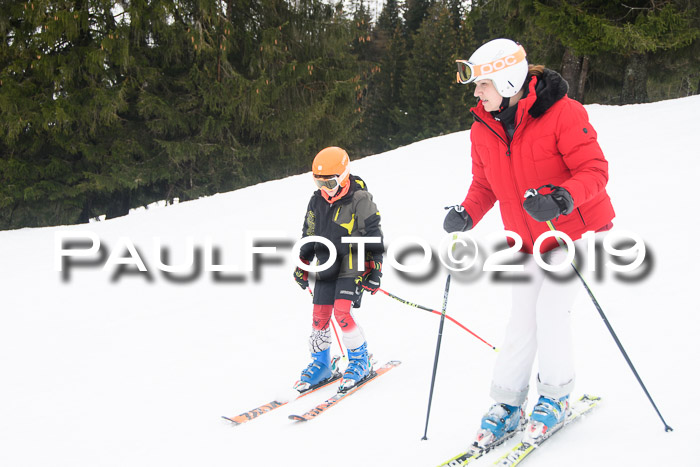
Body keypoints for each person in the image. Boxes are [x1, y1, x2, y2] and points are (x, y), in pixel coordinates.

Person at [445, 39, 615, 446]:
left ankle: (555, 397)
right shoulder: (482, 128)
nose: (476, 93)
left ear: (507, 80)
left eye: (482, 84)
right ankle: (508, 404)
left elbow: (594, 169)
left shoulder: (562, 114)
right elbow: (485, 183)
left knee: (551, 312)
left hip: (574, 231)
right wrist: (467, 211)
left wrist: (560, 197)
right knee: (521, 317)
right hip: (527, 241)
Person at [293, 147, 384, 392]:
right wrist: (303, 263)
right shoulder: (316, 200)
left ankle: (359, 360)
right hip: (326, 263)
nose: (325, 188)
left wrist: (375, 269)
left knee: (341, 313)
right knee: (319, 317)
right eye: (318, 182)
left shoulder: (360, 199)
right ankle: (321, 364)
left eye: (330, 182)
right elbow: (309, 234)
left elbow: (373, 234)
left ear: (344, 175)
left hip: (352, 263)